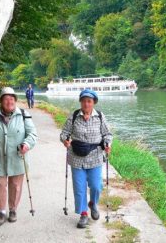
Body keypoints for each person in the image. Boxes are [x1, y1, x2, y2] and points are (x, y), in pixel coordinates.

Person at [0, 87, 38, 226]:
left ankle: (13, 210)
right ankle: (2, 211)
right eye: (6, 98)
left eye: (12, 98)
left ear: (15, 101)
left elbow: (32, 134)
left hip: (17, 157)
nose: (9, 101)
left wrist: (26, 144)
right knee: (0, 185)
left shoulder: (23, 114)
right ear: (1, 101)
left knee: (16, 185)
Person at [60, 89, 112, 228]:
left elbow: (107, 134)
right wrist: (65, 140)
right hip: (76, 158)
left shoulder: (100, 116)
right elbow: (64, 133)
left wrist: (107, 144)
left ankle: (92, 203)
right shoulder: (74, 116)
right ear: (80, 102)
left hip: (95, 157)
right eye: (83, 101)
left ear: (93, 102)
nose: (86, 104)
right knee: (79, 188)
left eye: (89, 101)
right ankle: (83, 214)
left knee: (96, 186)